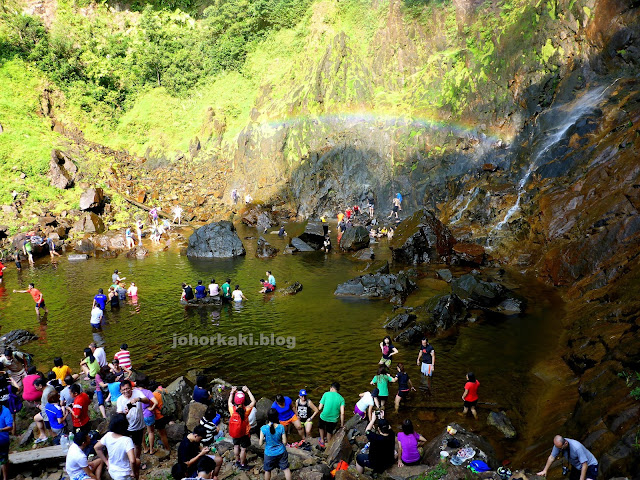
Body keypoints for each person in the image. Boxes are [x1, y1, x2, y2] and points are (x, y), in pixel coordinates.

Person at [95, 414, 139, 480]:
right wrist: (133, 472)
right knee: (137, 461)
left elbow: (96, 447)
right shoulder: (127, 440)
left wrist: (107, 463)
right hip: (124, 474)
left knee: (138, 461)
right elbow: (132, 461)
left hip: (112, 470)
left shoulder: (108, 435)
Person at [116, 380, 150, 459]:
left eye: (127, 388)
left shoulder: (137, 393)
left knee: (138, 445)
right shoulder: (120, 400)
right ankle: (130, 461)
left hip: (139, 426)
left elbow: (147, 400)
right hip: (127, 427)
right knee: (128, 446)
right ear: (121, 391)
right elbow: (119, 416)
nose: (126, 391)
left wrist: (138, 399)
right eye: (123, 390)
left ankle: (136, 461)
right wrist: (125, 414)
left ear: (131, 388)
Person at [228, 386, 256, 471]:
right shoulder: (246, 410)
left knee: (236, 446)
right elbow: (253, 401)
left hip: (235, 432)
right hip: (244, 433)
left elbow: (229, 401)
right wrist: (248, 391)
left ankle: (237, 461)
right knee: (243, 449)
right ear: (244, 401)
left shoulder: (232, 409)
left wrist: (232, 392)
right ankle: (243, 464)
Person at [260, 408, 292, 480]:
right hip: (281, 451)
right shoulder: (281, 427)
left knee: (267, 470)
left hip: (269, 453)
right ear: (277, 416)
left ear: (268, 417)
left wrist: (266, 440)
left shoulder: (263, 428)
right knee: (286, 469)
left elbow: (260, 443)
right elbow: (284, 442)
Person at [318, 382, 345, 448]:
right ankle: (329, 444)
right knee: (329, 431)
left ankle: (322, 440)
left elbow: (320, 407)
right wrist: (342, 424)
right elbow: (342, 413)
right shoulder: (341, 399)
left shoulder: (326, 394)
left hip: (324, 417)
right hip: (333, 419)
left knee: (321, 427)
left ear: (331, 388)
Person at [33, 378, 54, 443]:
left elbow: (45, 408)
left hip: (48, 414)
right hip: (53, 408)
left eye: (36, 387)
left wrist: (38, 406)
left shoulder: (45, 394)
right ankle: (42, 435)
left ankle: (52, 440)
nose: (36, 388)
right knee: (36, 418)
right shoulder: (51, 386)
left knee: (50, 431)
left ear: (40, 386)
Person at [0, 396, 11, 480]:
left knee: (3, 459)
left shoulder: (5, 411)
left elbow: (10, 426)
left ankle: (5, 478)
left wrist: (1, 429)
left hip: (2, 440)